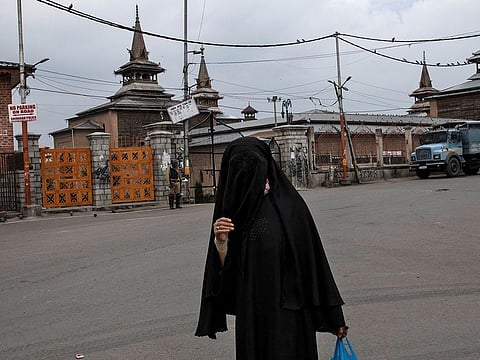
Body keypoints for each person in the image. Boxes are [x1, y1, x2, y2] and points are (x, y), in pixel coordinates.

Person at [195, 137, 348, 359]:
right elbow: (225, 275)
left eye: (253, 166)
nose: (246, 173)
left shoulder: (292, 206)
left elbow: (315, 264)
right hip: (254, 316)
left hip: (293, 316)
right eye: (239, 167)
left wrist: (335, 318)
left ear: (266, 165)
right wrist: (221, 242)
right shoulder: (231, 214)